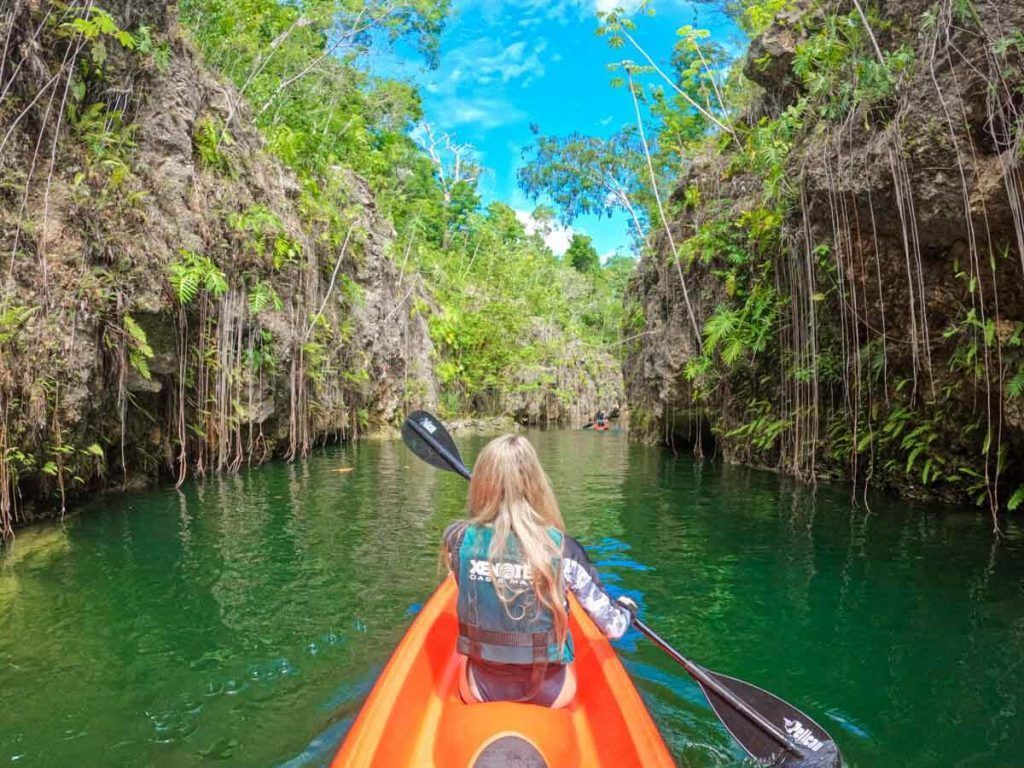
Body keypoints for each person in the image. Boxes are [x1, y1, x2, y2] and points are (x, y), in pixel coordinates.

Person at [442, 434, 636, 709]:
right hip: (551, 694)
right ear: (536, 484)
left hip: (478, 690)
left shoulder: (457, 540)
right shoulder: (563, 549)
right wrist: (627, 610)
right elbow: (613, 627)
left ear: (482, 485)